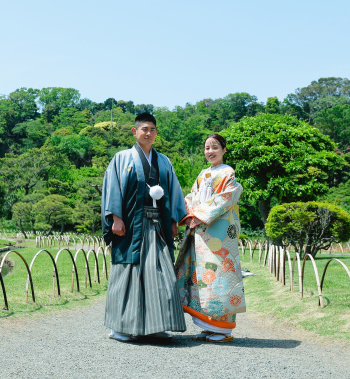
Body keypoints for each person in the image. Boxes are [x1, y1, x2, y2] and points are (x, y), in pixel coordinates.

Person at [101, 112, 187, 341]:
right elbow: (112, 188)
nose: (148, 133)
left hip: (158, 225)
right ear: (135, 131)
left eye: (152, 130)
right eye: (144, 129)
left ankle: (156, 325)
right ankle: (120, 327)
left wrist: (173, 221)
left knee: (161, 273)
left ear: (156, 133)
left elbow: (173, 191)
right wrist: (115, 218)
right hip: (130, 226)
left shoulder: (164, 161)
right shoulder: (122, 158)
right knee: (127, 272)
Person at [175, 133, 245, 343]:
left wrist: (201, 215)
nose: (210, 151)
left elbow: (226, 198)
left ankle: (224, 330)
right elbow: (191, 196)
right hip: (200, 231)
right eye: (207, 148)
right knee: (202, 275)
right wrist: (189, 213)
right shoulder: (202, 174)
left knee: (220, 274)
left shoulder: (228, 173)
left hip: (218, 233)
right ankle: (207, 325)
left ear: (224, 150)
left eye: (215, 147)